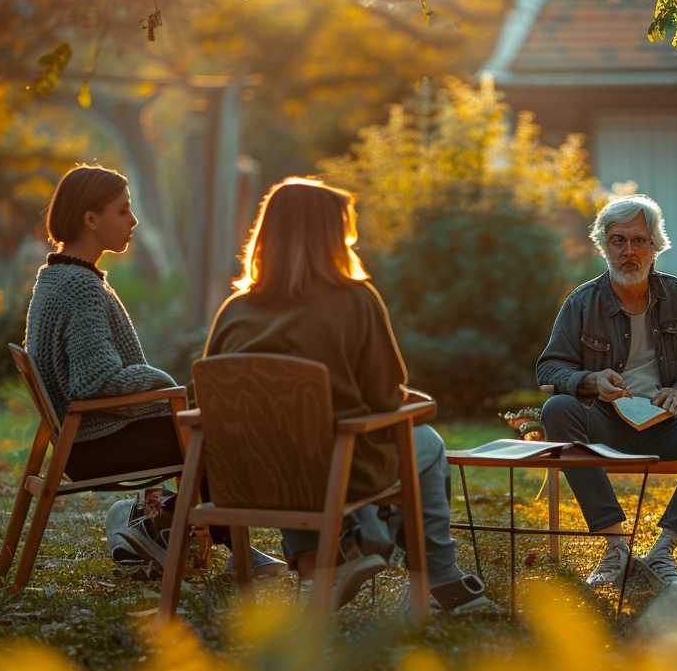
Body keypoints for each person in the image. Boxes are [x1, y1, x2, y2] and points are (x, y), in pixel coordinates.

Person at [202, 176, 491, 613]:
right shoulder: (355, 300)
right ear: (332, 237)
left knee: (296, 444)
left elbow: (202, 396)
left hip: (242, 478)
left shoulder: (235, 309)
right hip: (333, 470)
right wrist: (409, 403)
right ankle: (440, 576)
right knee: (427, 445)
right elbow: (383, 397)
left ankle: (322, 562)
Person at [24, 164, 286, 575]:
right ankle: (223, 545)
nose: (133, 220)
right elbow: (96, 383)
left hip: (82, 440)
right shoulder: (81, 287)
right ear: (91, 220)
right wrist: (164, 385)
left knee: (203, 420)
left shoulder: (56, 277)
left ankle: (161, 523)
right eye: (123, 210)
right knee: (214, 431)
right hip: (95, 444)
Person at [536, 194, 677, 587]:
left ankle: (662, 551)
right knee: (558, 409)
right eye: (618, 240)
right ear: (603, 245)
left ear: (654, 246)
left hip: (666, 425)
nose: (629, 251)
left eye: (639, 240)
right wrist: (590, 381)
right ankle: (616, 547)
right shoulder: (583, 301)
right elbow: (549, 367)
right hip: (604, 427)